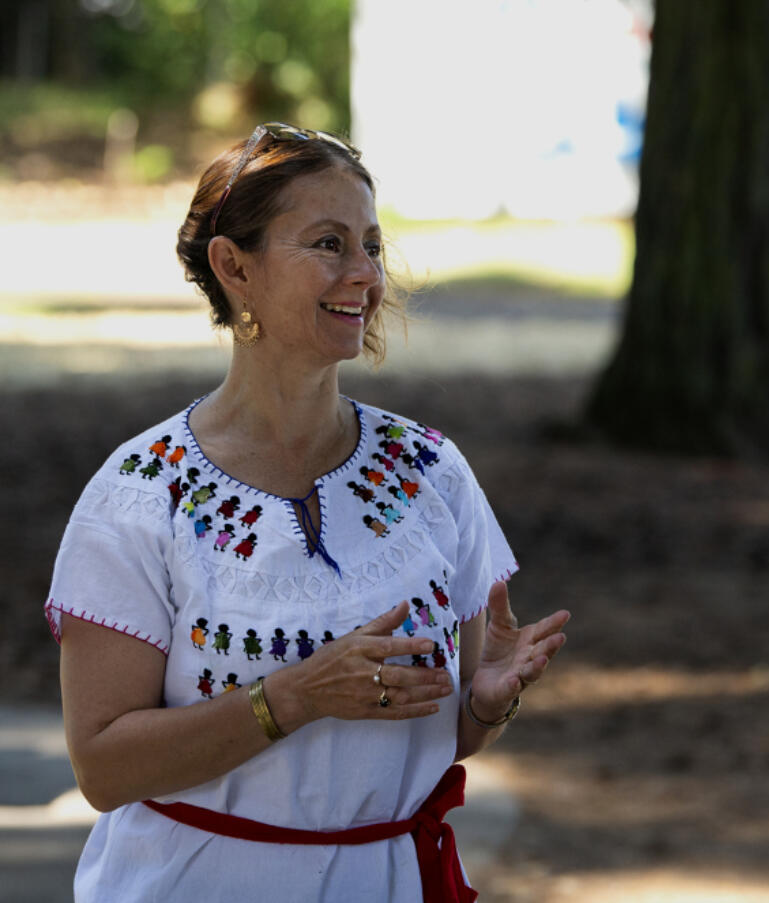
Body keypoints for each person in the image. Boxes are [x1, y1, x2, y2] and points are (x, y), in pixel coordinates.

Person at [45, 122, 570, 902]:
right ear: (234, 267)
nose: (365, 274)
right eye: (328, 243)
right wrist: (291, 696)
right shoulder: (139, 494)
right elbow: (104, 765)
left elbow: (442, 734)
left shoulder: (431, 472)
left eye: (373, 245)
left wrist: (485, 705)